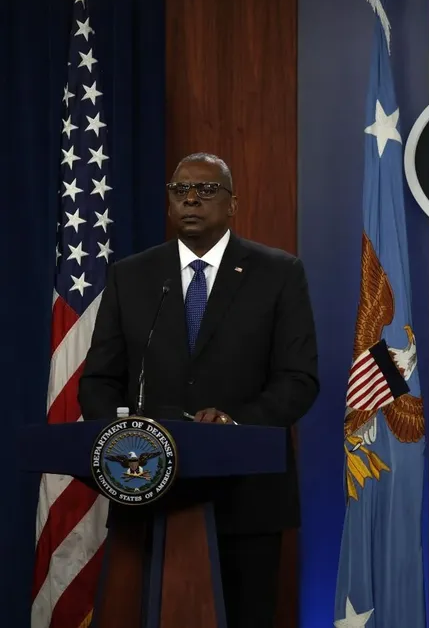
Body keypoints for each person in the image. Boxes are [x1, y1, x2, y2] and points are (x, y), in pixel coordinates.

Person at [79, 152, 319, 628]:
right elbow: (100, 379)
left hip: (246, 498)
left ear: (233, 204)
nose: (191, 198)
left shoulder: (279, 272)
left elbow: (298, 379)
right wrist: (122, 441)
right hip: (146, 489)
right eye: (180, 190)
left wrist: (234, 423)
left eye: (207, 190)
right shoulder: (133, 275)